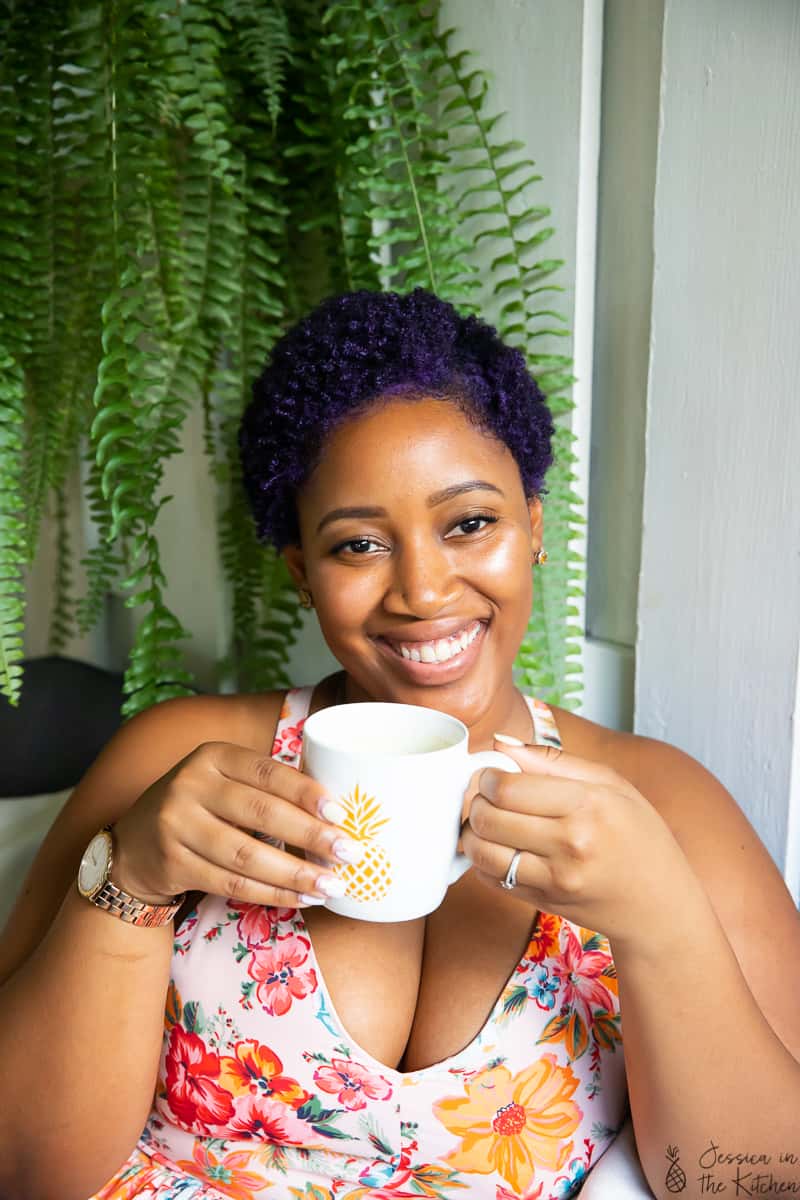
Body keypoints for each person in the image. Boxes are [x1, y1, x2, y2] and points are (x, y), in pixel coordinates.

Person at [0, 288, 798, 1200]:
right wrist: (132, 877)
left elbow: (761, 1183)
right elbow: (25, 1168)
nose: (421, 590)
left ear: (534, 528)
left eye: (470, 523)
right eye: (357, 546)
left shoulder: (661, 803)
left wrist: (662, 921)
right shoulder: (175, 763)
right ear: (301, 573)